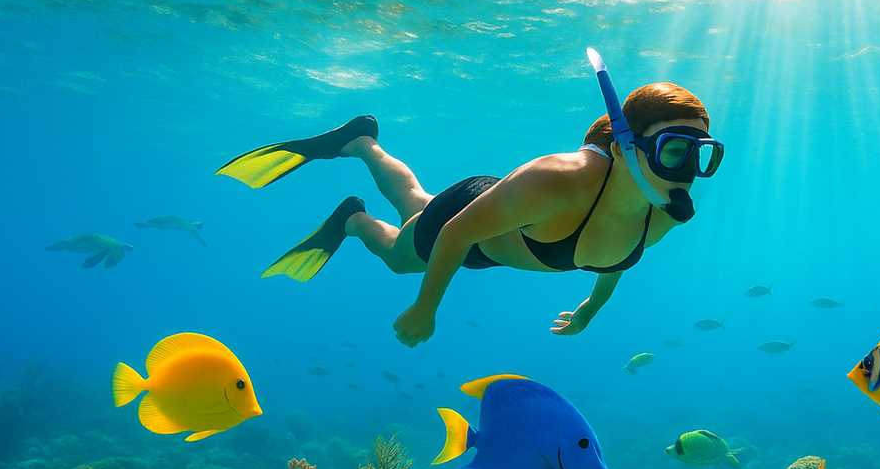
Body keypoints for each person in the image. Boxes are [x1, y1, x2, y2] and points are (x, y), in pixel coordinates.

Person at [217, 50, 724, 347]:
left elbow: (617, 254)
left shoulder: (662, 211)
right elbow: (457, 232)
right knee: (400, 256)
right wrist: (424, 309)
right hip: (471, 219)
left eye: (701, 154)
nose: (688, 173)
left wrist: (590, 309)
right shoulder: (555, 179)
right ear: (624, 147)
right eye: (674, 150)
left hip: (504, 236)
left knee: (415, 200)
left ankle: (361, 140)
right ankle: (352, 217)